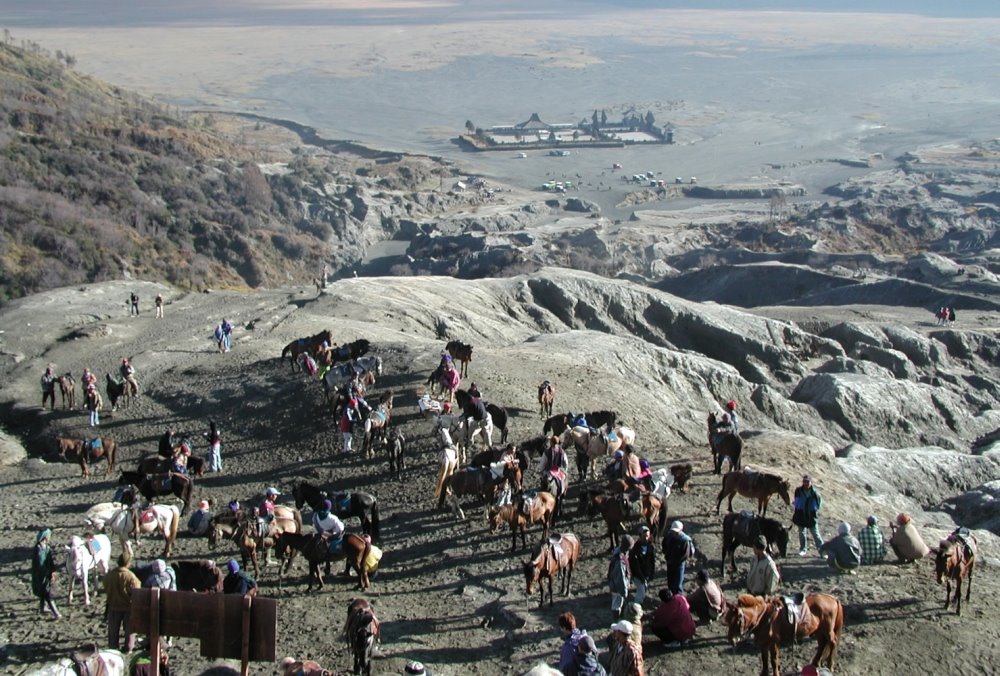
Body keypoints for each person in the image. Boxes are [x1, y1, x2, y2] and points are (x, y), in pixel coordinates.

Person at [104, 552, 140, 652]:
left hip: (113, 606)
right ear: (128, 563)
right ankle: (128, 648)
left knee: (113, 630)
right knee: (130, 630)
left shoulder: (110, 575)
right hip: (128, 607)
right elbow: (136, 592)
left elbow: (105, 586)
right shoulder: (131, 576)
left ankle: (113, 648)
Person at [31, 528, 60, 619]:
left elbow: (50, 561)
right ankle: (56, 613)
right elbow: (40, 564)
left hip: (46, 574)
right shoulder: (39, 550)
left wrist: (53, 571)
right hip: (40, 575)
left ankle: (42, 607)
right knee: (47, 593)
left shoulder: (46, 548)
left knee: (44, 591)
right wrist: (46, 573)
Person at [793, 474, 823, 556]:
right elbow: (796, 502)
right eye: (804, 481)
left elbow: (819, 504)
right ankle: (803, 549)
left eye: (807, 482)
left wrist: (814, 511)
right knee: (801, 533)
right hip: (801, 514)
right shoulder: (798, 491)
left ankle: (822, 551)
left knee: (816, 534)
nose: (805, 483)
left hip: (811, 516)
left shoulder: (815, 493)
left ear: (811, 482)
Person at [661, 521, 694, 594]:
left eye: (676, 531)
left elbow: (685, 555)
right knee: (670, 582)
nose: (674, 533)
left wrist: (676, 561)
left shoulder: (685, 540)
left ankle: (679, 601)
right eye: (673, 531)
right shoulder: (668, 536)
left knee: (678, 585)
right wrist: (667, 555)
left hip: (679, 565)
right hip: (670, 563)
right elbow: (664, 545)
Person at [607, 535, 633, 621]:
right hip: (617, 587)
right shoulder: (620, 561)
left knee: (617, 604)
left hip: (614, 583)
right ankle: (616, 621)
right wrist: (624, 591)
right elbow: (620, 579)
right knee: (617, 605)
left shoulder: (618, 551)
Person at [628, 526, 656, 606]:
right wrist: (641, 577)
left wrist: (652, 573)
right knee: (641, 592)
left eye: (648, 536)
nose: (646, 538)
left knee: (644, 589)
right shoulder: (635, 549)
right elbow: (635, 565)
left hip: (646, 573)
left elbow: (652, 561)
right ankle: (635, 607)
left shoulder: (650, 547)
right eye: (644, 536)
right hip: (638, 575)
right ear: (639, 536)